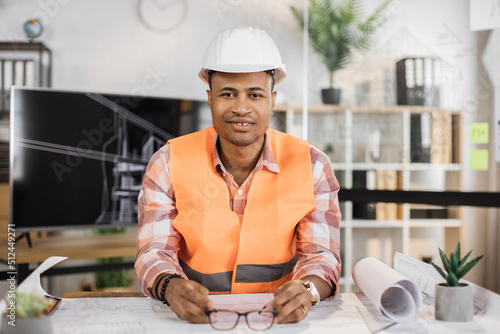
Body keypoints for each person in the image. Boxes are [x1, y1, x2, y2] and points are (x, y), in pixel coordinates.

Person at [135, 27, 341, 324]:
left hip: (278, 322)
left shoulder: (313, 165)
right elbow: (153, 251)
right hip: (191, 321)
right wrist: (169, 287)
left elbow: (322, 255)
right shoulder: (168, 163)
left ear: (272, 99)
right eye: (227, 94)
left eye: (255, 95)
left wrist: (307, 290)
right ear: (210, 99)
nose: (241, 108)